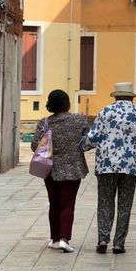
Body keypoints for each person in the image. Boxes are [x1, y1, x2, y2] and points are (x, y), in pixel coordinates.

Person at [83, 82, 136, 254]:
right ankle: (119, 243)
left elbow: (92, 138)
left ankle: (103, 239)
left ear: (116, 96)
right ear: (131, 97)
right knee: (125, 204)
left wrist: (83, 146)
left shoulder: (105, 111)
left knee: (105, 202)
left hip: (106, 165)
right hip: (130, 165)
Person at [30, 89, 89, 253]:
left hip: (50, 168)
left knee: (54, 204)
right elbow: (87, 142)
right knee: (68, 204)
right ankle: (64, 239)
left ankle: (55, 239)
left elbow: (35, 146)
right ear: (67, 103)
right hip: (73, 168)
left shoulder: (45, 123)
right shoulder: (80, 120)